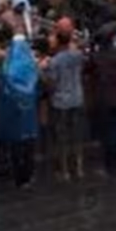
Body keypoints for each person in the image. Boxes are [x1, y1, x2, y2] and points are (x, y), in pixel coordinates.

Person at [87, 27, 116, 176]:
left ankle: (109, 164)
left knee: (106, 133)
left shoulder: (96, 57)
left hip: (101, 98)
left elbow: (88, 71)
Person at [0, 36, 39, 188]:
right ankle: (28, 176)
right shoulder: (31, 65)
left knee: (16, 147)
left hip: (13, 114)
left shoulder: (7, 67)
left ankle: (18, 178)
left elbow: (3, 84)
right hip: (29, 115)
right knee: (29, 147)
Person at [44, 30, 86, 181]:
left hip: (61, 100)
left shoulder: (55, 61)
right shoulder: (77, 56)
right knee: (77, 134)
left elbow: (52, 82)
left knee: (62, 136)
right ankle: (80, 167)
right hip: (77, 97)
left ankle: (65, 170)